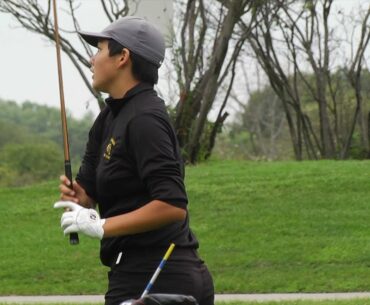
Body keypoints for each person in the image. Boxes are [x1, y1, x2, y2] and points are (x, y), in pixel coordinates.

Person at [53, 16, 214, 305]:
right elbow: (90, 192)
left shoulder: (145, 119)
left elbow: (172, 205)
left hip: (163, 276)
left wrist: (101, 225)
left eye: (100, 49)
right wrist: (82, 199)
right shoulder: (107, 118)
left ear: (122, 57)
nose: (92, 59)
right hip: (127, 274)